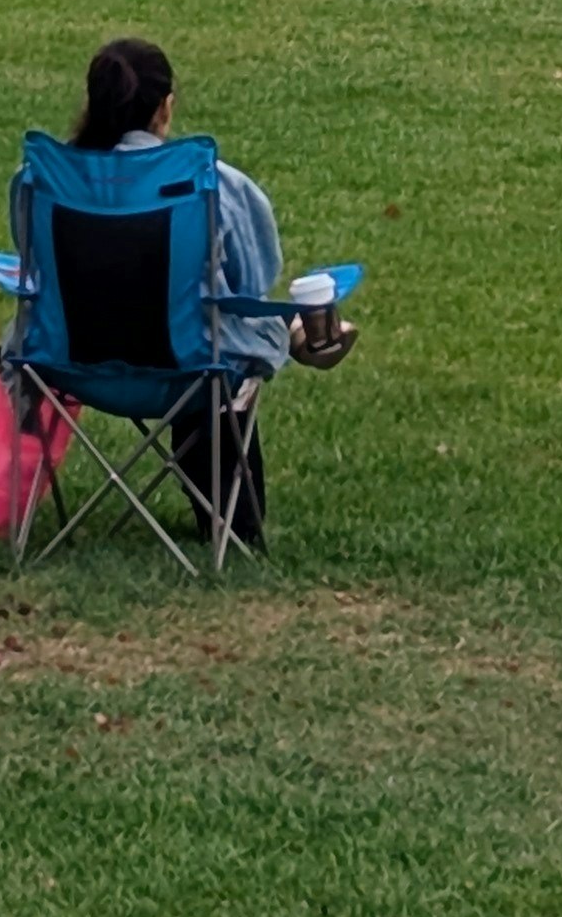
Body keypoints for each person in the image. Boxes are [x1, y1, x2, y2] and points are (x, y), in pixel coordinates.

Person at [54, 36, 349, 551]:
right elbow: (253, 281)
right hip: (186, 370)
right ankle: (306, 334)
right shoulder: (211, 184)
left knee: (208, 325)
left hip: (65, 362)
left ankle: (299, 333)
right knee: (231, 328)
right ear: (165, 107)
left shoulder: (42, 181)